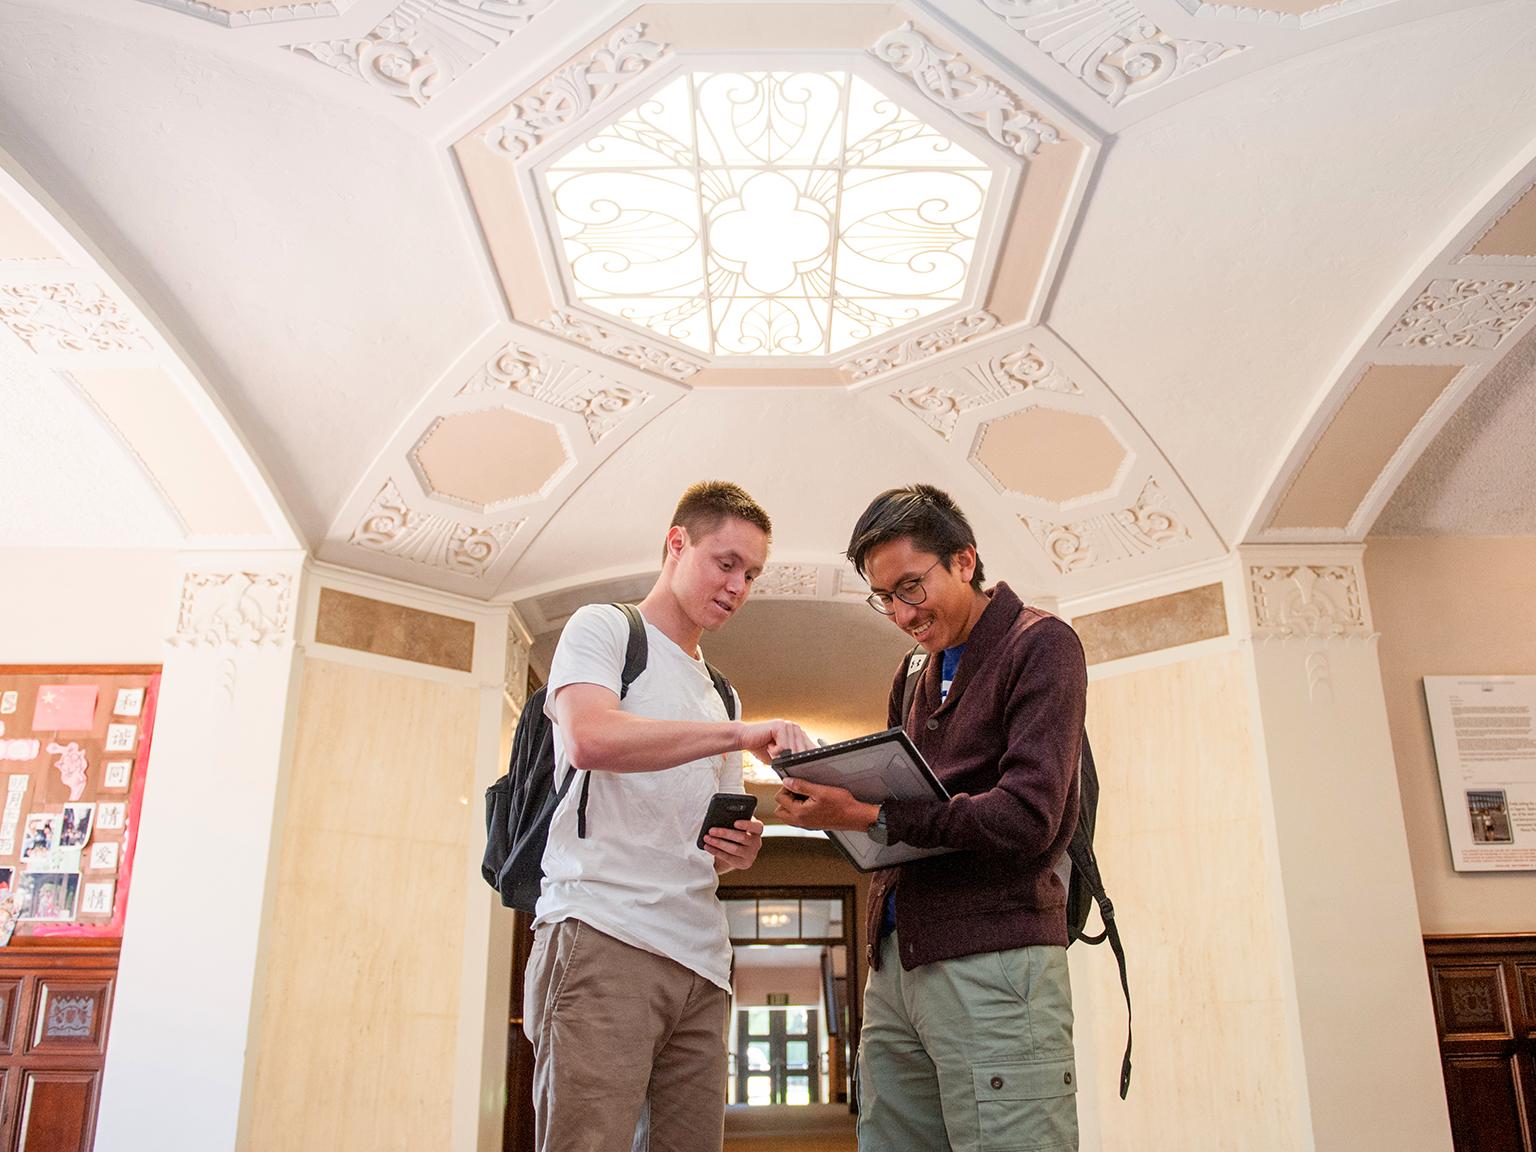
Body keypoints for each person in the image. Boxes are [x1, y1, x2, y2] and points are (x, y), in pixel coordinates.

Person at [774, 484, 1085, 1152]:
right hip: (895, 965)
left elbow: (1027, 817)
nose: (900, 612)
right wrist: (840, 809)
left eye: (911, 587)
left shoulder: (1043, 644)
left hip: (995, 957)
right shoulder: (912, 674)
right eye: (884, 597)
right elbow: (902, 804)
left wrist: (871, 811)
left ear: (965, 560)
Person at [525, 480, 815, 1152]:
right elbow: (590, 739)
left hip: (703, 961)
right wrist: (738, 738)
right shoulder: (605, 628)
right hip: (604, 932)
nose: (738, 585)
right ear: (676, 544)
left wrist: (736, 845)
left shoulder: (721, 691)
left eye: (752, 573)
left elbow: (711, 847)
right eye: (726, 563)